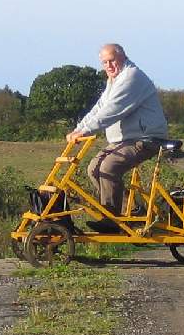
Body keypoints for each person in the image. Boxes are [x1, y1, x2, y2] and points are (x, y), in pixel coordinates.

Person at [67, 43, 169, 231]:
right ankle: (130, 213)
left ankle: (112, 220)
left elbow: (112, 110)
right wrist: (79, 128)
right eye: (104, 62)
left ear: (122, 57)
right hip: (125, 140)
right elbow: (99, 108)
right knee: (93, 169)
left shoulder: (131, 77)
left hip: (146, 138)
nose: (108, 66)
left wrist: (86, 131)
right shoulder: (114, 80)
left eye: (111, 60)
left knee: (108, 167)